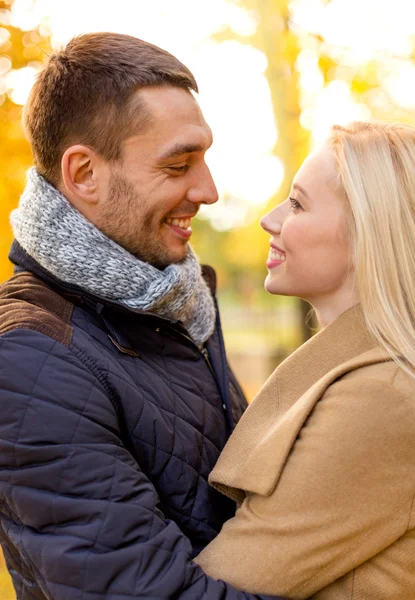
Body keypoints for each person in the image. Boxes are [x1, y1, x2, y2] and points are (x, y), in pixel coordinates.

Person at [0, 32, 284, 600]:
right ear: (83, 175)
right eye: (178, 165)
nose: (208, 190)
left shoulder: (174, 299)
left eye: (204, 160)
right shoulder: (30, 361)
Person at [195, 121, 415, 599]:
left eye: (296, 203)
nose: (269, 219)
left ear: (368, 232)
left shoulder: (384, 395)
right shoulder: (370, 374)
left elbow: (222, 582)